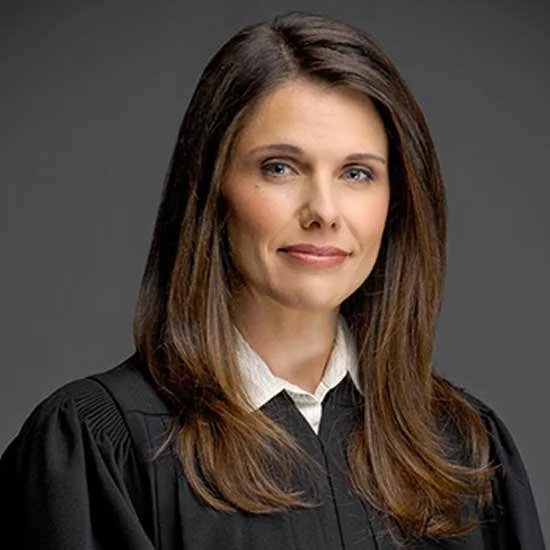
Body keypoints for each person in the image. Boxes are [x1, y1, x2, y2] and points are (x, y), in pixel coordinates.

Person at [0, 10, 545, 550]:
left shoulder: (463, 451)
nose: (324, 211)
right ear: (212, 186)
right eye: (280, 167)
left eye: (357, 173)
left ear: (395, 201)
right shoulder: (100, 451)